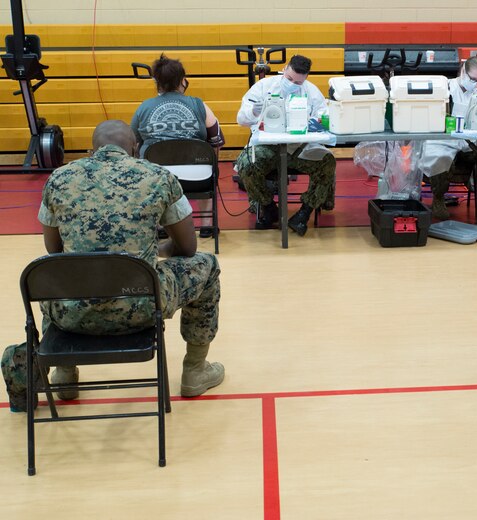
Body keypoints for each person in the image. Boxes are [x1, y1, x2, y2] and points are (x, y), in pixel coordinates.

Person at [38, 120, 225, 399]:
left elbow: (54, 252)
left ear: (92, 151)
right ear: (136, 149)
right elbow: (188, 247)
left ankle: (64, 373)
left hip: (72, 311)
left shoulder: (59, 178)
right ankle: (195, 370)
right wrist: (155, 247)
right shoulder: (159, 177)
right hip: (143, 306)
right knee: (207, 265)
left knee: (54, 275)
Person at [235, 54, 335, 237]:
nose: (291, 84)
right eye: (289, 79)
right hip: (269, 148)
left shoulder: (311, 92)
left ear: (305, 79)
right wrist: (253, 112)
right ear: (285, 69)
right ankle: (268, 207)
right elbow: (240, 118)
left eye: (297, 82)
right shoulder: (264, 87)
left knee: (327, 162)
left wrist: (317, 122)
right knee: (246, 164)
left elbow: (324, 116)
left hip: (300, 149)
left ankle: (304, 213)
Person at [131, 54, 225, 239]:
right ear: (183, 81)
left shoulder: (144, 107)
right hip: (199, 178)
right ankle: (207, 225)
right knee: (206, 162)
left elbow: (132, 143)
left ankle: (159, 225)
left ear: (156, 81)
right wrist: (212, 168)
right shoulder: (199, 105)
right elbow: (216, 141)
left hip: (156, 179)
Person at [418, 56, 477, 221]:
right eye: (472, 79)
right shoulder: (444, 89)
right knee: (440, 159)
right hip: (443, 142)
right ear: (463, 71)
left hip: (470, 143)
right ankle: (438, 199)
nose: (475, 83)